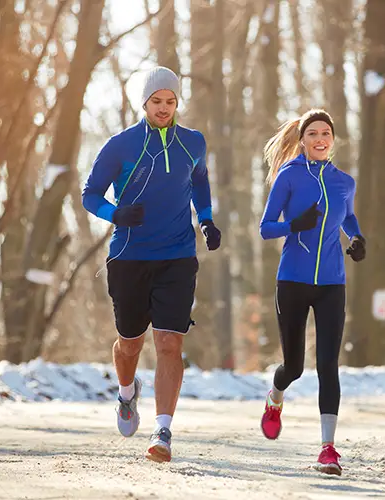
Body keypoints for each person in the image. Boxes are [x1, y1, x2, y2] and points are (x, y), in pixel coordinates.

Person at [82, 66, 221, 463]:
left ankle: (163, 431)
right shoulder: (121, 145)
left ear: (178, 103)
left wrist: (207, 219)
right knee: (130, 344)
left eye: (171, 101)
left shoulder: (193, 141)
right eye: (157, 101)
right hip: (129, 256)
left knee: (169, 341)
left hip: (177, 255)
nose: (164, 108)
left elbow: (199, 181)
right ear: (144, 103)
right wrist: (116, 214)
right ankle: (127, 395)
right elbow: (90, 194)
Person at [258, 109, 366, 476]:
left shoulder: (343, 182)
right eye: (313, 133)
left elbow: (347, 216)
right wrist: (293, 225)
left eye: (326, 133)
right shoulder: (289, 177)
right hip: (293, 280)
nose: (320, 139)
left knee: (328, 366)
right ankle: (275, 397)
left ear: (332, 139)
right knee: (295, 367)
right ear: (303, 140)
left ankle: (328, 448)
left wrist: (357, 238)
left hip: (332, 283)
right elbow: (265, 228)